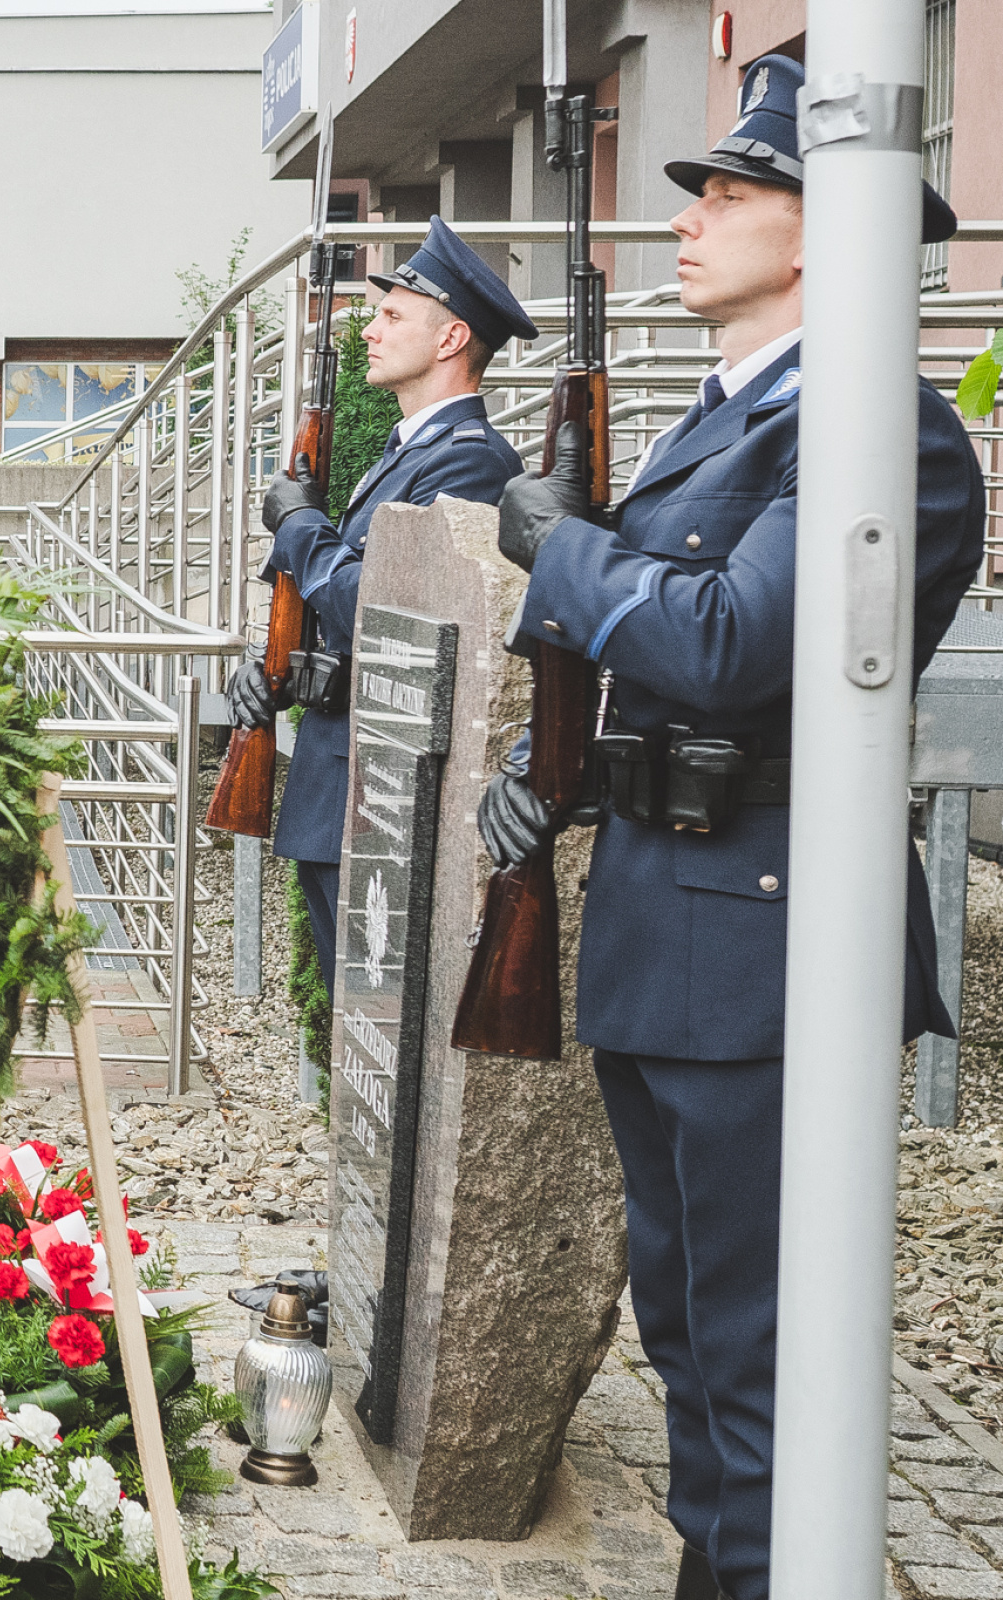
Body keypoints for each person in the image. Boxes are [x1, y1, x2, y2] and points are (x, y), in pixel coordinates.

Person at [476, 55, 980, 1600]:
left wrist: (560, 549)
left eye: (735, 194)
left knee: (764, 1351)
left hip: (761, 948)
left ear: (833, 231)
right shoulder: (738, 416)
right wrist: (547, 753)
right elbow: (660, 675)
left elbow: (722, 645)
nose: (689, 220)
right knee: (690, 1331)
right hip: (664, 926)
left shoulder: (877, 430)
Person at [230, 214, 535, 990]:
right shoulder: (408, 452)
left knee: (375, 1011)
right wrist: (269, 670)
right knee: (353, 1016)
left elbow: (378, 602)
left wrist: (300, 524)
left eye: (392, 315)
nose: (369, 330)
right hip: (341, 781)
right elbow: (326, 603)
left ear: (449, 340)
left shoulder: (469, 464)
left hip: (378, 793)